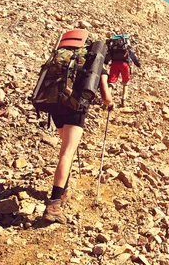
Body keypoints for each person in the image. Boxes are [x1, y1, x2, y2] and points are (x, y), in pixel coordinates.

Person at [42, 36, 114, 224]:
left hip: (55, 105)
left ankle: (63, 190)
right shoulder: (96, 63)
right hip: (75, 108)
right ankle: (54, 205)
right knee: (67, 152)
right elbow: (106, 96)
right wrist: (110, 103)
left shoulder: (65, 57)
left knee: (65, 150)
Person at [106, 34, 141, 107]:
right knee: (125, 82)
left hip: (114, 64)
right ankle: (123, 100)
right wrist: (138, 64)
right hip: (124, 65)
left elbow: (108, 57)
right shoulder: (126, 48)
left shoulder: (114, 48)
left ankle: (107, 101)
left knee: (111, 82)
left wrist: (105, 62)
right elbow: (133, 57)